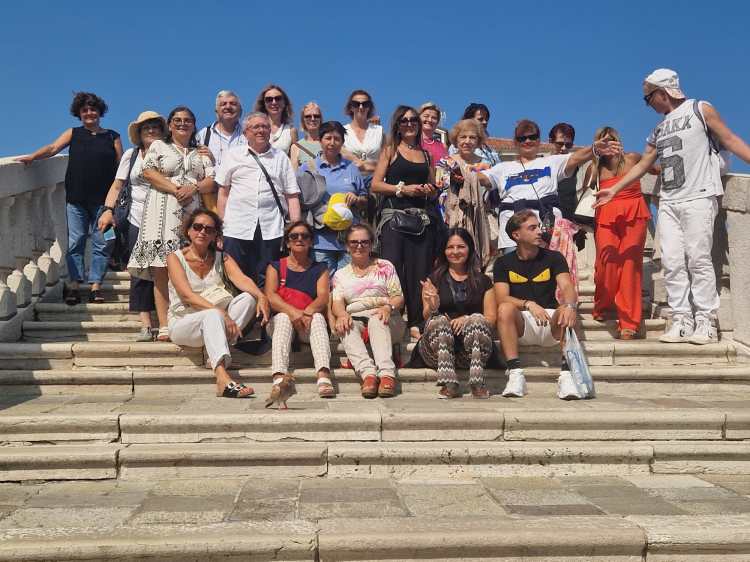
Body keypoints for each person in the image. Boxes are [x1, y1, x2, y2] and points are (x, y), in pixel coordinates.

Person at [594, 68, 750, 344]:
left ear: (663, 92)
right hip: (669, 200)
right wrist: (615, 189)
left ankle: (706, 321)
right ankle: (681, 320)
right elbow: (643, 164)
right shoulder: (658, 129)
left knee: (699, 259)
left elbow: (729, 139)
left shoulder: (700, 109)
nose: (648, 104)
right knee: (672, 262)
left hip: (699, 194)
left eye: (648, 98)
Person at [17, 92, 123, 305]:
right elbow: (53, 148)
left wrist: (116, 201)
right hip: (76, 200)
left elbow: (122, 167)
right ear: (79, 114)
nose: (89, 113)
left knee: (102, 243)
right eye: (85, 110)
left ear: (100, 112)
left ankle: (95, 286)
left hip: (105, 203)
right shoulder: (74, 133)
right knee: (76, 241)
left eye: (93, 109)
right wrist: (33, 156)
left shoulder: (113, 136)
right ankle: (74, 285)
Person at [128, 106, 216, 341]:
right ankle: (165, 323)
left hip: (192, 214)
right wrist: (177, 189)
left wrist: (193, 188)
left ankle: (186, 319)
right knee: (162, 268)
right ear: (169, 124)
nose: (182, 124)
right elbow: (149, 173)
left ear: (194, 125)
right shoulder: (158, 146)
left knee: (189, 264)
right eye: (177, 120)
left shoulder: (201, 153)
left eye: (187, 120)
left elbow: (211, 181)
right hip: (162, 210)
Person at [166, 209, 270, 398]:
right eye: (197, 227)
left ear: (215, 235)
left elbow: (241, 279)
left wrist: (261, 296)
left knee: (248, 298)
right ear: (188, 230)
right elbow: (187, 296)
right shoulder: (175, 258)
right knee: (213, 314)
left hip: (217, 320)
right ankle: (222, 377)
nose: (202, 232)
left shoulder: (222, 257)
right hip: (184, 323)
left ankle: (213, 353)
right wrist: (221, 313)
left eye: (209, 229)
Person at [480, 119, 617, 253]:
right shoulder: (502, 168)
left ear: (539, 140)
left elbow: (575, 157)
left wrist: (594, 148)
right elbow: (479, 178)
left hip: (547, 234)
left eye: (532, 137)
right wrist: (466, 165)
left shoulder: (552, 162)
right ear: (515, 142)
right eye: (522, 138)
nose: (527, 141)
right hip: (513, 238)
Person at [372, 105, 443, 340]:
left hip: (420, 220)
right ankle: (393, 317)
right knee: (392, 268)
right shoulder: (390, 150)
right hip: (394, 217)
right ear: (398, 125)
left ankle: (416, 321)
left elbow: (434, 188)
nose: (409, 123)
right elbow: (375, 185)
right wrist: (403, 189)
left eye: (413, 120)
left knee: (419, 270)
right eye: (404, 120)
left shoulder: (426, 155)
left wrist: (429, 189)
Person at [493, 211, 580, 400]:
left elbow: (567, 286)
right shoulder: (503, 263)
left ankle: (567, 375)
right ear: (516, 235)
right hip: (522, 324)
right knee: (505, 309)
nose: (539, 231)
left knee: (567, 309)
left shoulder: (554, 257)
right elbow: (501, 297)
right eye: (532, 228)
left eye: (538, 227)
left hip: (551, 323)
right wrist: (528, 304)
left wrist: (571, 306)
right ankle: (515, 374)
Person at [98, 111, 166, 341]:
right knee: (140, 271)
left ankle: (167, 321)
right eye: (146, 127)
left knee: (167, 269)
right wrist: (108, 210)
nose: (151, 130)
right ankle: (146, 324)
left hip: (165, 218)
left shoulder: (171, 152)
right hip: (137, 219)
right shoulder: (132, 155)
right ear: (139, 132)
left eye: (155, 126)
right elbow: (117, 186)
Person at [216, 112, 302, 286]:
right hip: (236, 227)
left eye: (265, 127)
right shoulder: (232, 155)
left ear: (270, 131)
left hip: (271, 228)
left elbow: (292, 196)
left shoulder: (281, 158)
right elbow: (223, 193)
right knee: (235, 276)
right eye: (256, 127)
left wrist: (296, 229)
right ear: (245, 132)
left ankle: (264, 304)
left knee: (268, 278)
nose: (261, 130)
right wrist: (220, 227)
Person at [584, 127, 651, 340]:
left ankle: (629, 323)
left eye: (612, 140)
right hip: (605, 216)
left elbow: (654, 168)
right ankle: (603, 303)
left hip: (634, 214)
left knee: (630, 266)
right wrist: (595, 159)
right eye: (604, 141)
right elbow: (586, 192)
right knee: (606, 264)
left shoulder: (633, 158)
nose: (609, 145)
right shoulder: (594, 168)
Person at [420, 228, 497, 399]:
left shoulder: (484, 281)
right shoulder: (434, 279)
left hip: (473, 353)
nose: (455, 252)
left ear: (469, 249)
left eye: (460, 247)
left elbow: (491, 319)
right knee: (438, 320)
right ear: (444, 250)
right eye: (450, 247)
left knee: (477, 318)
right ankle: (449, 383)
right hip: (438, 352)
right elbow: (426, 317)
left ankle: (477, 382)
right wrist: (433, 306)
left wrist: (467, 319)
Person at [332, 224, 405, 399]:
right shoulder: (340, 274)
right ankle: (368, 375)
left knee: (377, 319)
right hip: (357, 317)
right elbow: (337, 302)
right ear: (347, 246)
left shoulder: (385, 266)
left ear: (371, 244)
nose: (359, 246)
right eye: (354, 242)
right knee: (345, 325)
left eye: (364, 242)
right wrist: (342, 315)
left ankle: (387, 374)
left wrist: (388, 307)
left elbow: (398, 297)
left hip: (387, 317)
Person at [265, 221, 331, 403]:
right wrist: (293, 312)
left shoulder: (320, 268)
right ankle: (279, 377)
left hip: (306, 325)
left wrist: (308, 312)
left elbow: (323, 297)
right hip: (279, 324)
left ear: (311, 241)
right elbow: (270, 296)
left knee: (318, 317)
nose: (299, 239)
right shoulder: (275, 266)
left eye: (305, 236)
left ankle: (323, 374)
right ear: (287, 242)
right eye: (294, 236)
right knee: (283, 318)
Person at [301, 120, 367, 275]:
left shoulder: (351, 168)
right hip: (320, 241)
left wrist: (357, 199)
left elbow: (365, 199)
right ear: (320, 140)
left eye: (337, 139)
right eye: (328, 138)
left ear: (342, 143)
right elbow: (301, 202)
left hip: (349, 241)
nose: (332, 143)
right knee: (322, 284)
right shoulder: (308, 168)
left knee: (348, 284)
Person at [435, 119, 495, 266]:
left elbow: (492, 192)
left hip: (480, 219)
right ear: (456, 140)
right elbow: (439, 191)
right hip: (452, 218)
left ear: (478, 141)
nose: (467, 141)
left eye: (472, 137)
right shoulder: (445, 162)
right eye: (463, 137)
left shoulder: (486, 165)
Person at [342, 90, 385, 186]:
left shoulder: (379, 131)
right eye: (356, 104)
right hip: (349, 182)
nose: (361, 107)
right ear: (351, 107)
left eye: (365, 104)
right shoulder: (341, 131)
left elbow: (386, 160)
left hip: (375, 183)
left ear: (369, 107)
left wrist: (365, 166)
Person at [196, 90, 247, 167]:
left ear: (240, 111)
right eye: (223, 104)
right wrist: (211, 162)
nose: (228, 107)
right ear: (216, 112)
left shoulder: (249, 134)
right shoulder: (203, 135)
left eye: (233, 104)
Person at [254, 84, 297, 154]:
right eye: (269, 99)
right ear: (264, 104)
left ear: (284, 103)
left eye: (278, 98)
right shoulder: (255, 129)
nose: (274, 102)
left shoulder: (291, 131)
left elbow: (294, 158)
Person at [549, 123, 578, 222]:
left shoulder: (578, 165)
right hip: (545, 222)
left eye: (568, 145)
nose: (564, 148)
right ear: (550, 142)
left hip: (570, 223)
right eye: (560, 144)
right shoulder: (539, 164)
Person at [290, 102, 322, 170]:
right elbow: (294, 174)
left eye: (316, 116)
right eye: (308, 116)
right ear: (303, 120)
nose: (312, 119)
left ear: (320, 119)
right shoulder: (296, 147)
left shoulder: (330, 142)